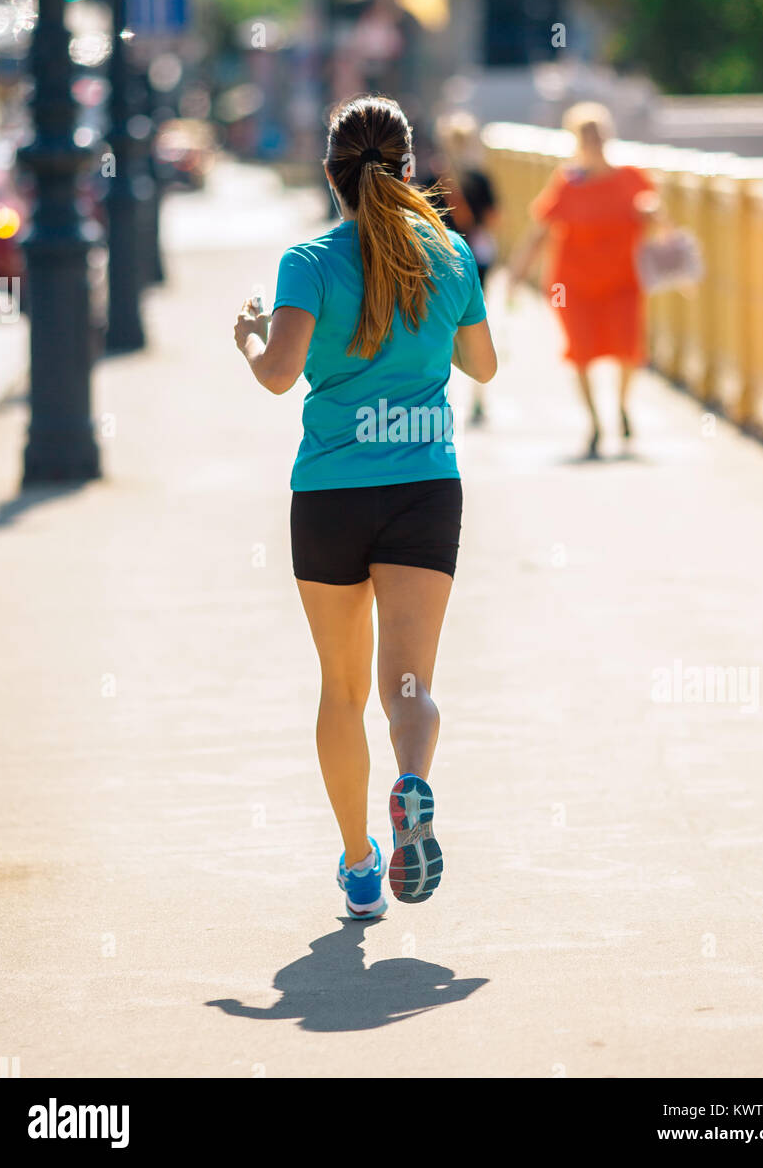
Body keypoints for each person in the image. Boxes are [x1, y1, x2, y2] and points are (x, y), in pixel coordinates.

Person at [234, 95, 497, 919]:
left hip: (330, 494)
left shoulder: (308, 261)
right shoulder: (451, 252)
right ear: (410, 168)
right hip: (425, 485)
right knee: (409, 683)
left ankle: (357, 865)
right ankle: (412, 783)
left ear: (330, 174)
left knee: (341, 691)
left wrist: (250, 333)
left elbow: (279, 375)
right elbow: (484, 368)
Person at [510, 102, 657, 458]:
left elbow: (659, 225)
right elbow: (541, 231)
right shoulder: (568, 181)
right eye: (586, 136)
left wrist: (655, 215)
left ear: (608, 137)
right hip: (572, 285)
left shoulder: (632, 178)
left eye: (598, 135)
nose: (593, 142)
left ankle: (622, 405)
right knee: (581, 352)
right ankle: (594, 423)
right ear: (576, 140)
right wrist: (516, 274)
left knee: (628, 348)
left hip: (623, 282)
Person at [423, 113, 500, 424]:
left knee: (446, 325)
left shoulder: (432, 179)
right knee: (475, 324)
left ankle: (455, 393)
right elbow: (495, 219)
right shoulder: (478, 178)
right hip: (473, 259)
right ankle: (478, 396)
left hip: (441, 261)